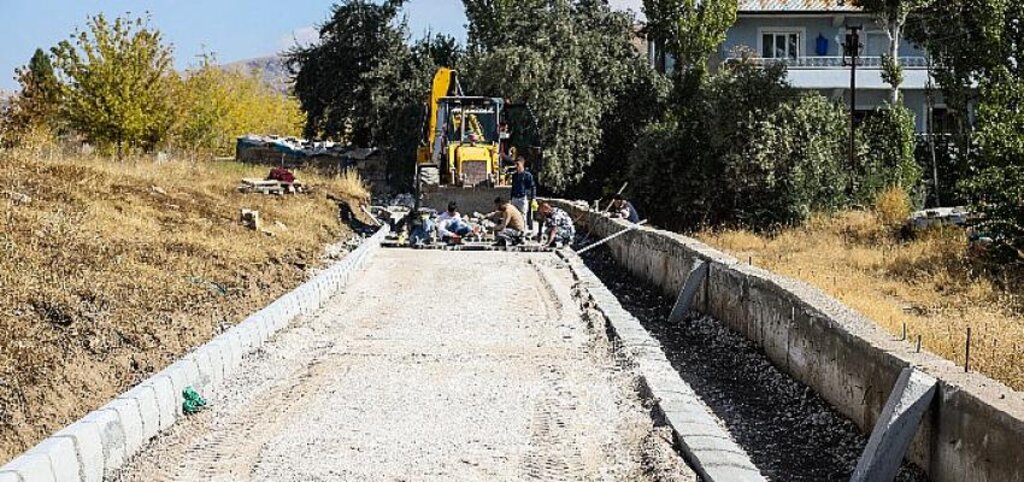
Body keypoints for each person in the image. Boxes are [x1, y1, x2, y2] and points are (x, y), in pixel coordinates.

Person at [510, 157, 536, 230]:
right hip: (514, 198)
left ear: (522, 164)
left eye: (518, 164)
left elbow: (532, 187)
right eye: (516, 164)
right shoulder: (514, 175)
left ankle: (522, 234)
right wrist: (511, 198)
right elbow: (513, 187)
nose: (516, 166)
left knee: (523, 216)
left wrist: (533, 198)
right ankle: (515, 232)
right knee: (514, 216)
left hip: (522, 198)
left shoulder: (527, 175)